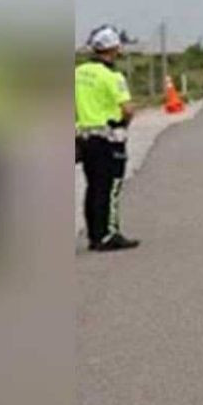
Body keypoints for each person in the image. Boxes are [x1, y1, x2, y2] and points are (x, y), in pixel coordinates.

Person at [75, 25, 141, 251]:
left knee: (93, 187)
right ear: (113, 48)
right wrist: (124, 124)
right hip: (109, 138)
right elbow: (128, 108)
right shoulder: (112, 76)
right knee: (111, 187)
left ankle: (94, 235)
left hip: (85, 137)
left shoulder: (79, 73)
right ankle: (109, 234)